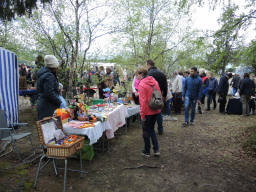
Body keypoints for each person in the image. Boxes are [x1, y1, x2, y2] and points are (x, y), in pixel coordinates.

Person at [136, 66, 160, 157]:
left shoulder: (142, 84)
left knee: (146, 131)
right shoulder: (154, 81)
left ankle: (147, 151)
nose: (136, 77)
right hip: (156, 108)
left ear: (142, 74)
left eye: (137, 75)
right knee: (152, 130)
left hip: (148, 111)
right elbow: (159, 95)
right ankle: (156, 149)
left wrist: (142, 115)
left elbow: (143, 102)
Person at [36, 55, 61, 120]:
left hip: (44, 104)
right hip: (47, 106)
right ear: (55, 66)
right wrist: (59, 101)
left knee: (47, 128)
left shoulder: (44, 73)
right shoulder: (48, 75)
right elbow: (49, 93)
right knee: (48, 128)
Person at [146, 59, 167, 135]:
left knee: (150, 112)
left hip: (150, 95)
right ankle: (160, 129)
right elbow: (165, 86)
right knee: (158, 112)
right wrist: (164, 95)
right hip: (159, 95)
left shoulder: (148, 73)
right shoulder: (161, 73)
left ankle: (150, 129)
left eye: (146, 65)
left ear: (149, 65)